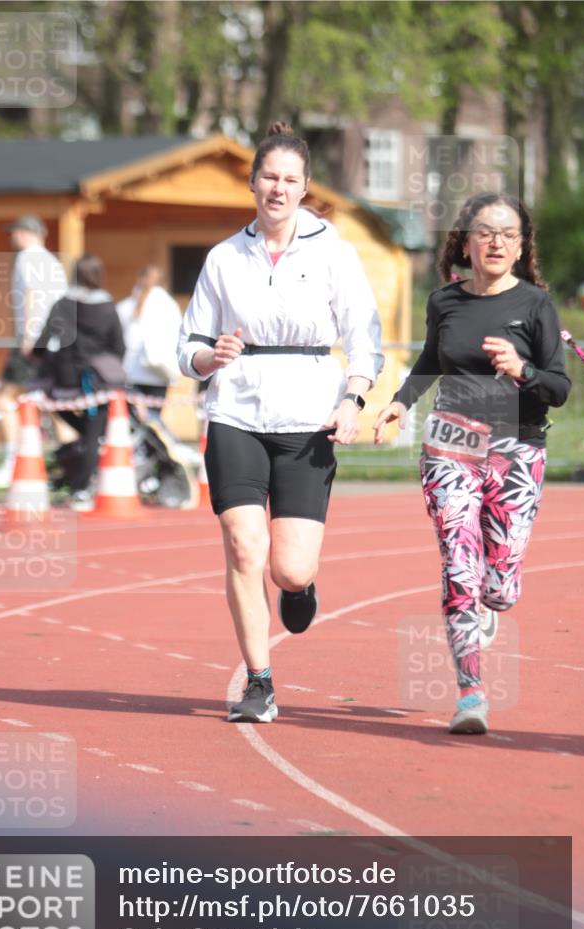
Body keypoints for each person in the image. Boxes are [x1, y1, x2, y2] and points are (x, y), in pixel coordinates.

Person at [178, 121, 384, 724]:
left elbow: (365, 338)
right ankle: (260, 682)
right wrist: (207, 357)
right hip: (235, 410)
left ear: (306, 187)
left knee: (289, 566)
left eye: (290, 179)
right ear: (252, 182)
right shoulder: (223, 257)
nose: (279, 188)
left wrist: (354, 398)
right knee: (245, 547)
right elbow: (187, 342)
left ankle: (299, 589)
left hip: (308, 417)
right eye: (269, 176)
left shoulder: (334, 251)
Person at [374, 191, 571, 735]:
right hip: (450, 444)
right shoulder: (444, 302)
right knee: (460, 567)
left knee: (499, 588)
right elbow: (431, 359)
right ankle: (471, 695)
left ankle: (490, 600)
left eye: (509, 234)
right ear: (464, 239)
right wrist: (399, 401)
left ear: (522, 245)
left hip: (517, 445)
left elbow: (559, 388)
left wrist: (522, 369)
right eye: (485, 231)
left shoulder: (536, 305)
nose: (497, 242)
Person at [33, 255, 125, 511]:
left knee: (84, 431)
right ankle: (82, 487)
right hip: (97, 381)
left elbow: (43, 340)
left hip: (66, 379)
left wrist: (44, 358)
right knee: (93, 434)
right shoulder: (107, 306)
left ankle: (79, 481)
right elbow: (118, 345)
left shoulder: (63, 304)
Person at [0, 215, 67, 488]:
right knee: (53, 404)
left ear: (24, 233)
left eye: (14, 233)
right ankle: (73, 466)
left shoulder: (27, 258)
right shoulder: (53, 262)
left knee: (4, 398)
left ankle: (13, 461)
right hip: (56, 341)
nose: (12, 238)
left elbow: (31, 294)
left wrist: (28, 336)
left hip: (35, 340)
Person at [117, 265, 183, 425]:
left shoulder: (127, 305)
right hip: (159, 372)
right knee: (152, 423)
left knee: (133, 423)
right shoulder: (169, 305)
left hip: (130, 371)